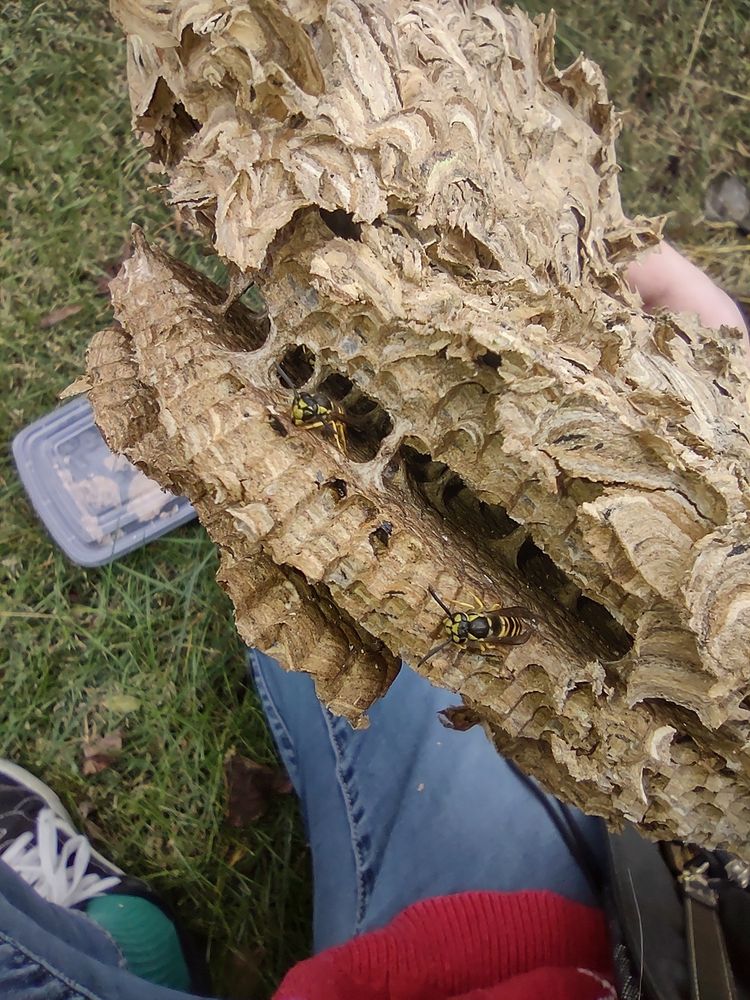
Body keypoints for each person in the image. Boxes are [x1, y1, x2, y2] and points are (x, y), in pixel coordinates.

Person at [1, 245, 746, 1000]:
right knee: (333, 553)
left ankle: (92, 959)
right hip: (634, 910)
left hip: (473, 956)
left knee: (307, 582)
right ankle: (124, 946)